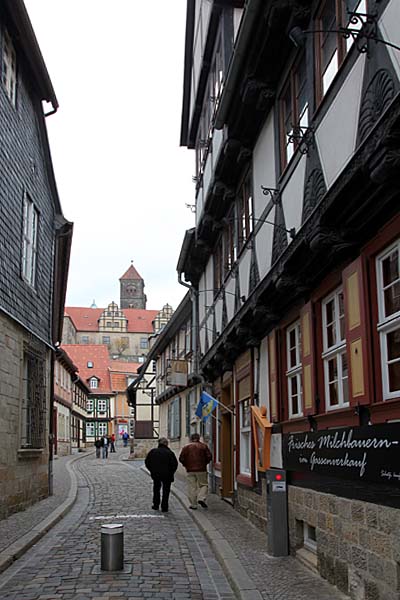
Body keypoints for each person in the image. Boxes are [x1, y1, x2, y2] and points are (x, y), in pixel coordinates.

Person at [179, 433, 212, 509]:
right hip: (202, 469)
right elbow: (209, 457)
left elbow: (181, 459)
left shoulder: (186, 447)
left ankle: (193, 504)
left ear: (191, 438)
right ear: (199, 438)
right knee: (203, 484)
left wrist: (186, 465)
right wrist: (204, 463)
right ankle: (201, 498)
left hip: (190, 470)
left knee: (191, 487)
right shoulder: (203, 446)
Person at [145, 437, 178, 513]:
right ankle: (164, 506)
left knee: (156, 489)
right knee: (166, 491)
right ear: (166, 444)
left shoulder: (153, 452)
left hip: (156, 474)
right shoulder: (170, 453)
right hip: (167, 475)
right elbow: (174, 464)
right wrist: (171, 472)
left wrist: (152, 470)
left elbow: (147, 462)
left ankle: (156, 505)